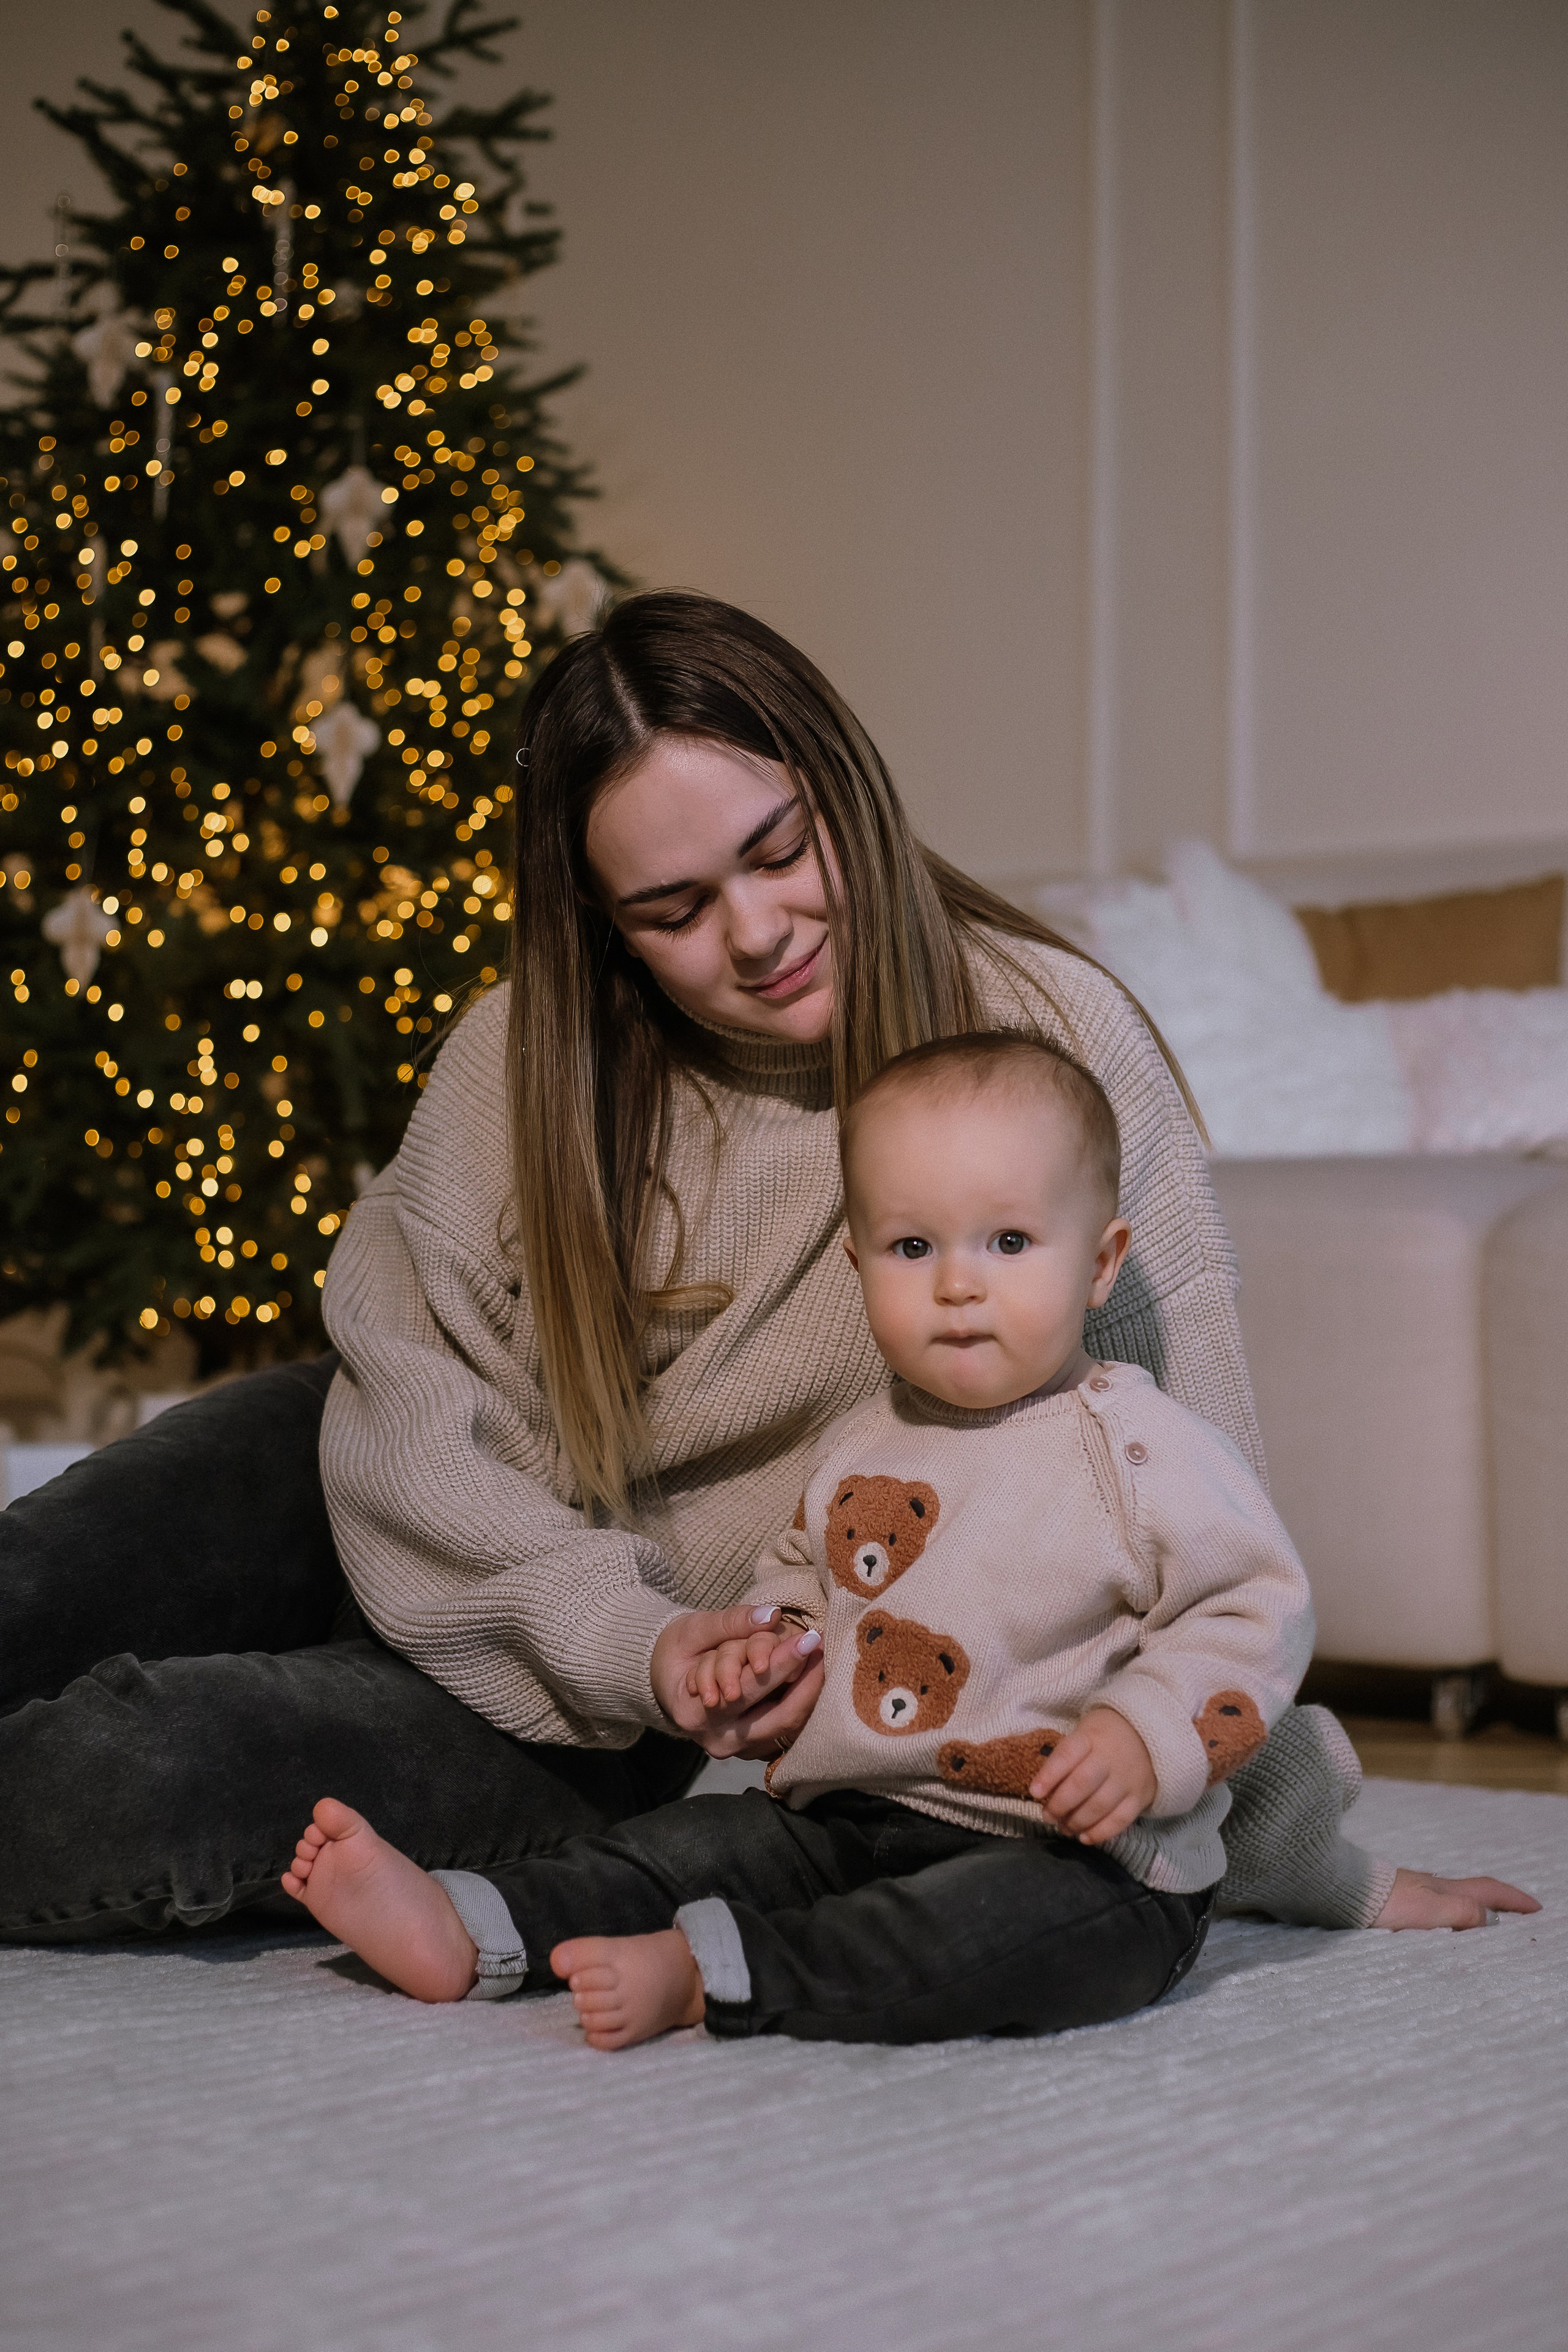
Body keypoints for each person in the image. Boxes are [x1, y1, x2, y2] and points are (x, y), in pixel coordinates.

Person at [0, 591, 1532, 1947]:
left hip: (596, 1706)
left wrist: (1297, 1862)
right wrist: (596, 1611)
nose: (755, 934)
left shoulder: (1049, 1045)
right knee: (42, 1579)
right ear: (603, 929)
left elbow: (1195, 1512)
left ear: (838, 788)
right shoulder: (521, 1056)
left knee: (128, 1770)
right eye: (672, 910)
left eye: (777, 852)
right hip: (396, 1508)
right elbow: (399, 1403)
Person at [281, 1031, 1321, 2046]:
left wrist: (1145, 1735)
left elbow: (1254, 1609)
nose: (958, 1284)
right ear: (858, 1261)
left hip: (1080, 1857)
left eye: (1008, 1242)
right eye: (913, 1247)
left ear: (1100, 1264)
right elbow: (805, 1585)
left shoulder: (1143, 1448)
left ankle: (724, 1976)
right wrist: (768, 1655)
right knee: (690, 1844)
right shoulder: (867, 1442)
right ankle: (472, 1926)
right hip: (855, 1816)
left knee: (974, 1939)